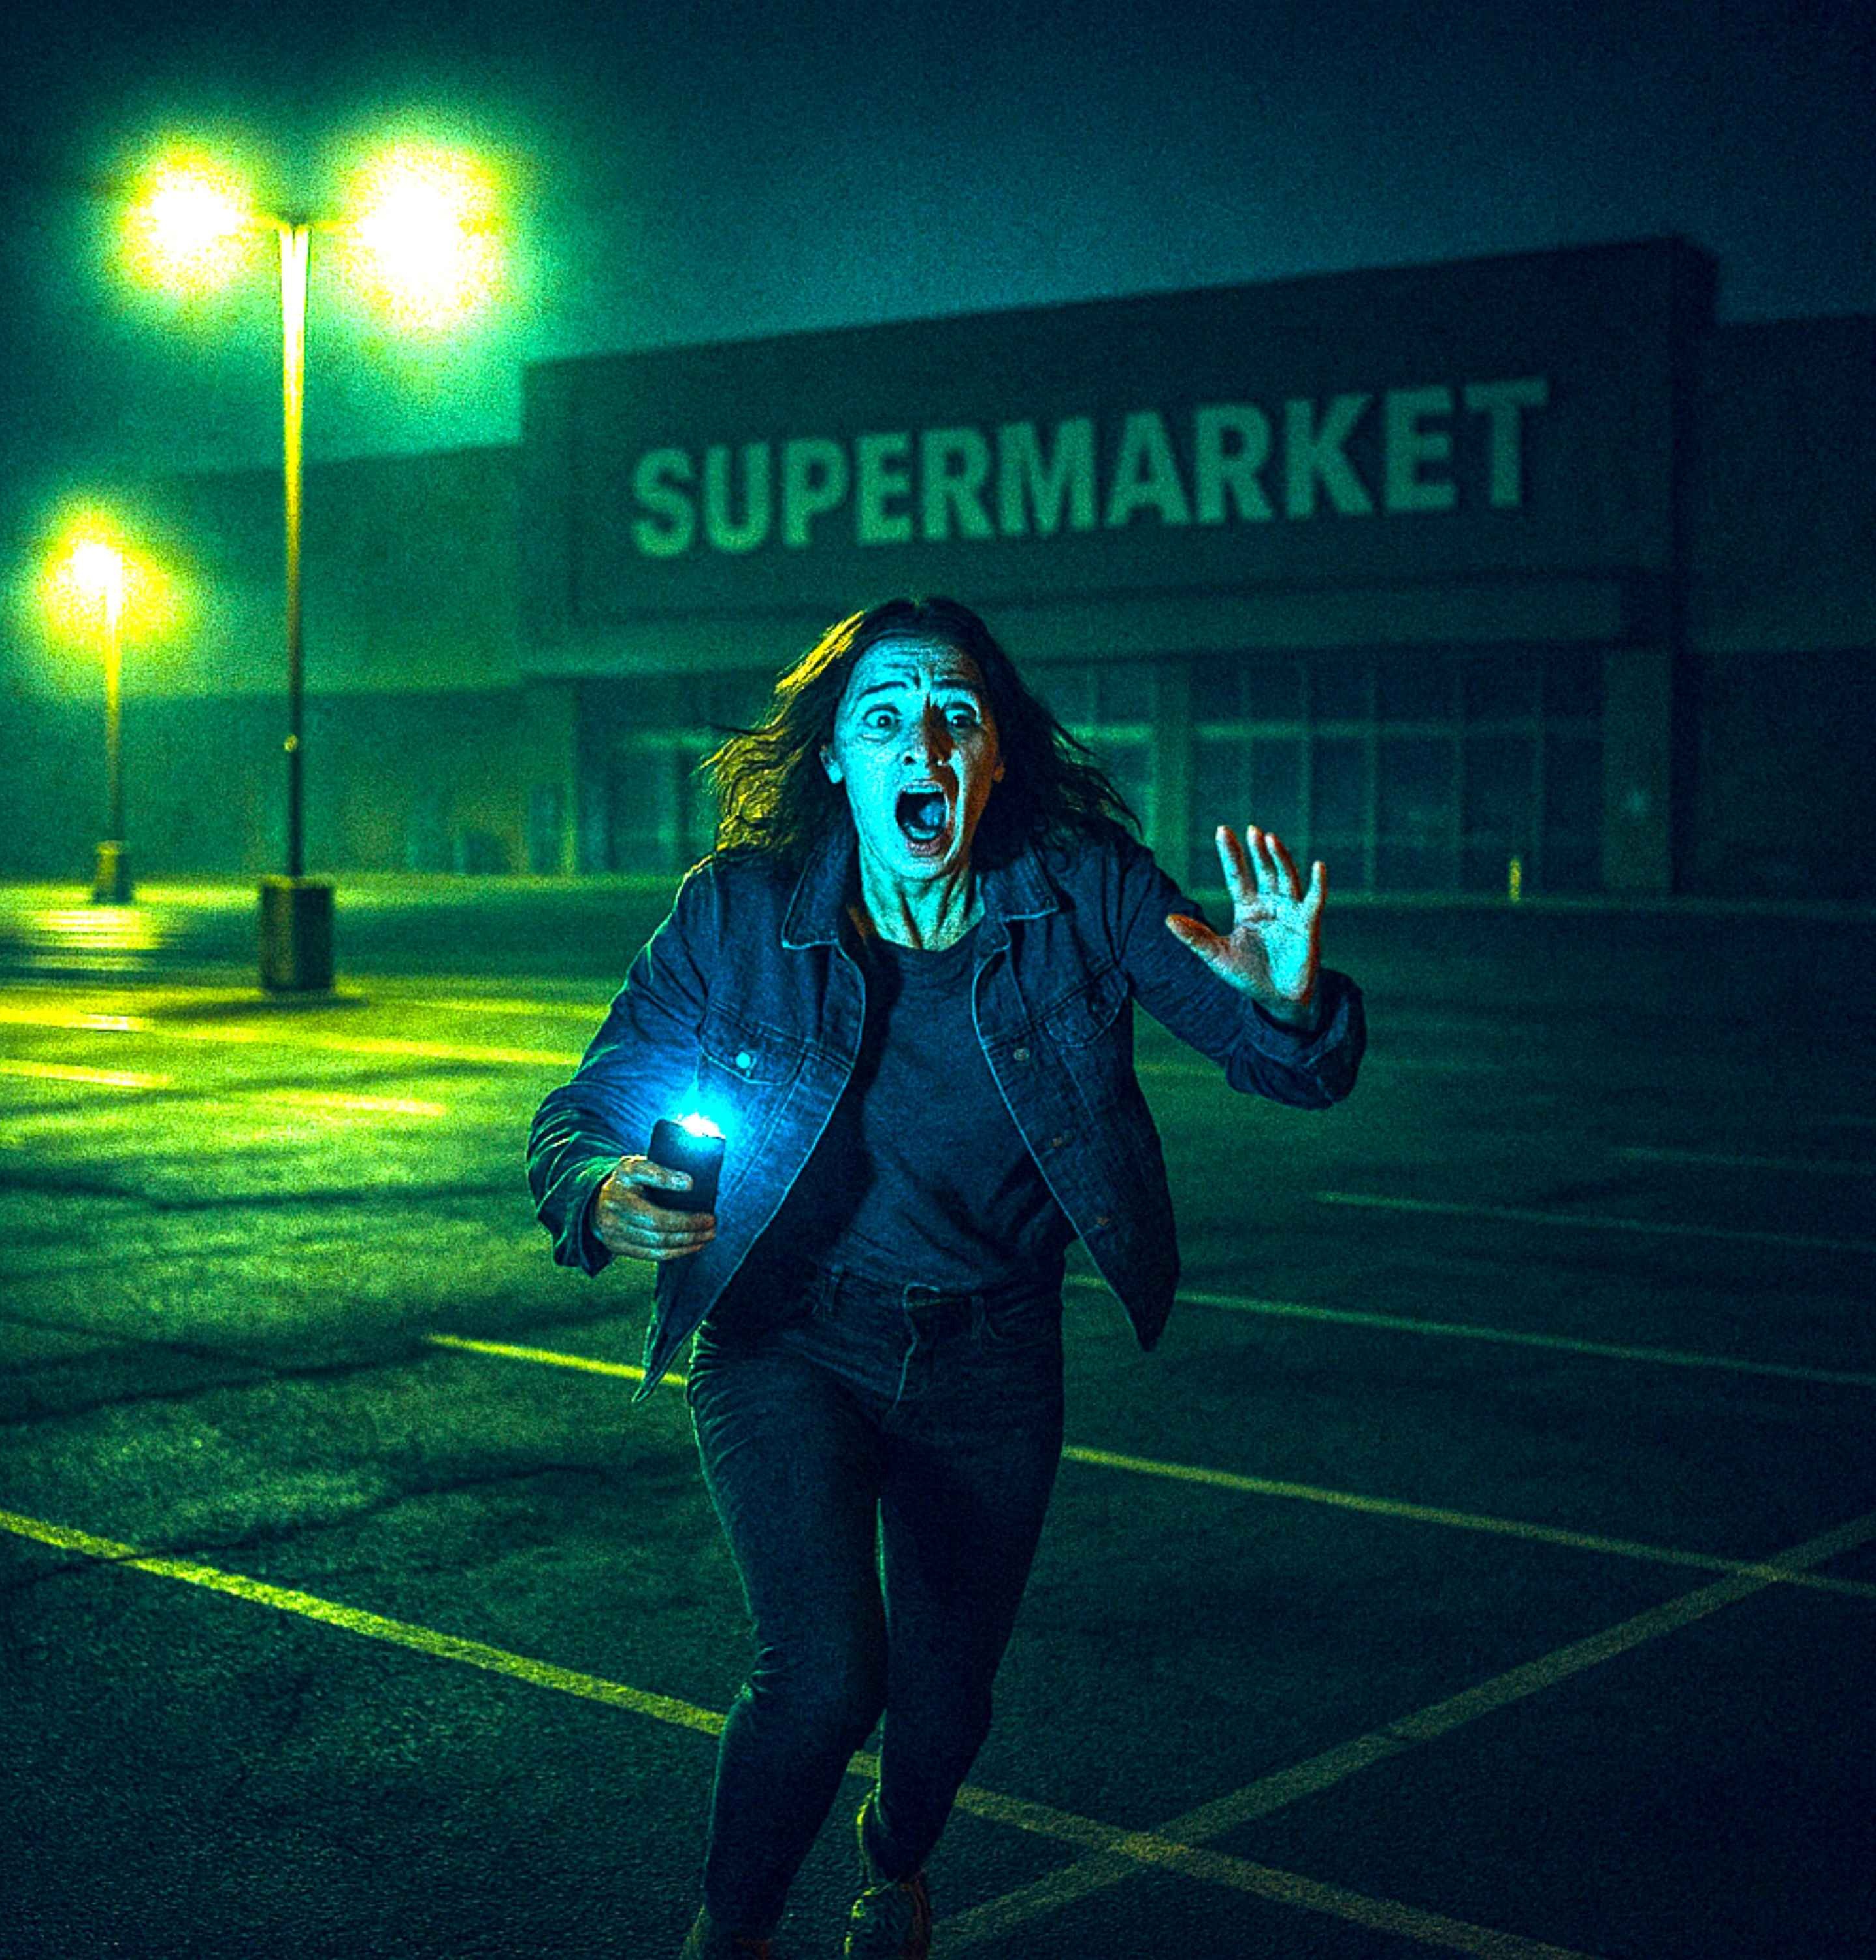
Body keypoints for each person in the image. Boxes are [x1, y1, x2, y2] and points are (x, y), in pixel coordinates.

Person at [527, 597, 1366, 1960]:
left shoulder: (1085, 891)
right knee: (822, 1675)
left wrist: (1286, 1004)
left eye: (956, 716)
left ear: (995, 754)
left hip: (990, 1352)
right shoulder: (737, 912)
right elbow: (587, 1108)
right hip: (787, 1335)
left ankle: (897, 1856)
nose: (923, 743)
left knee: (945, 1700)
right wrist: (599, 1189)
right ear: (836, 761)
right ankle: (729, 1933)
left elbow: (1285, 1065)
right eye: (884, 719)